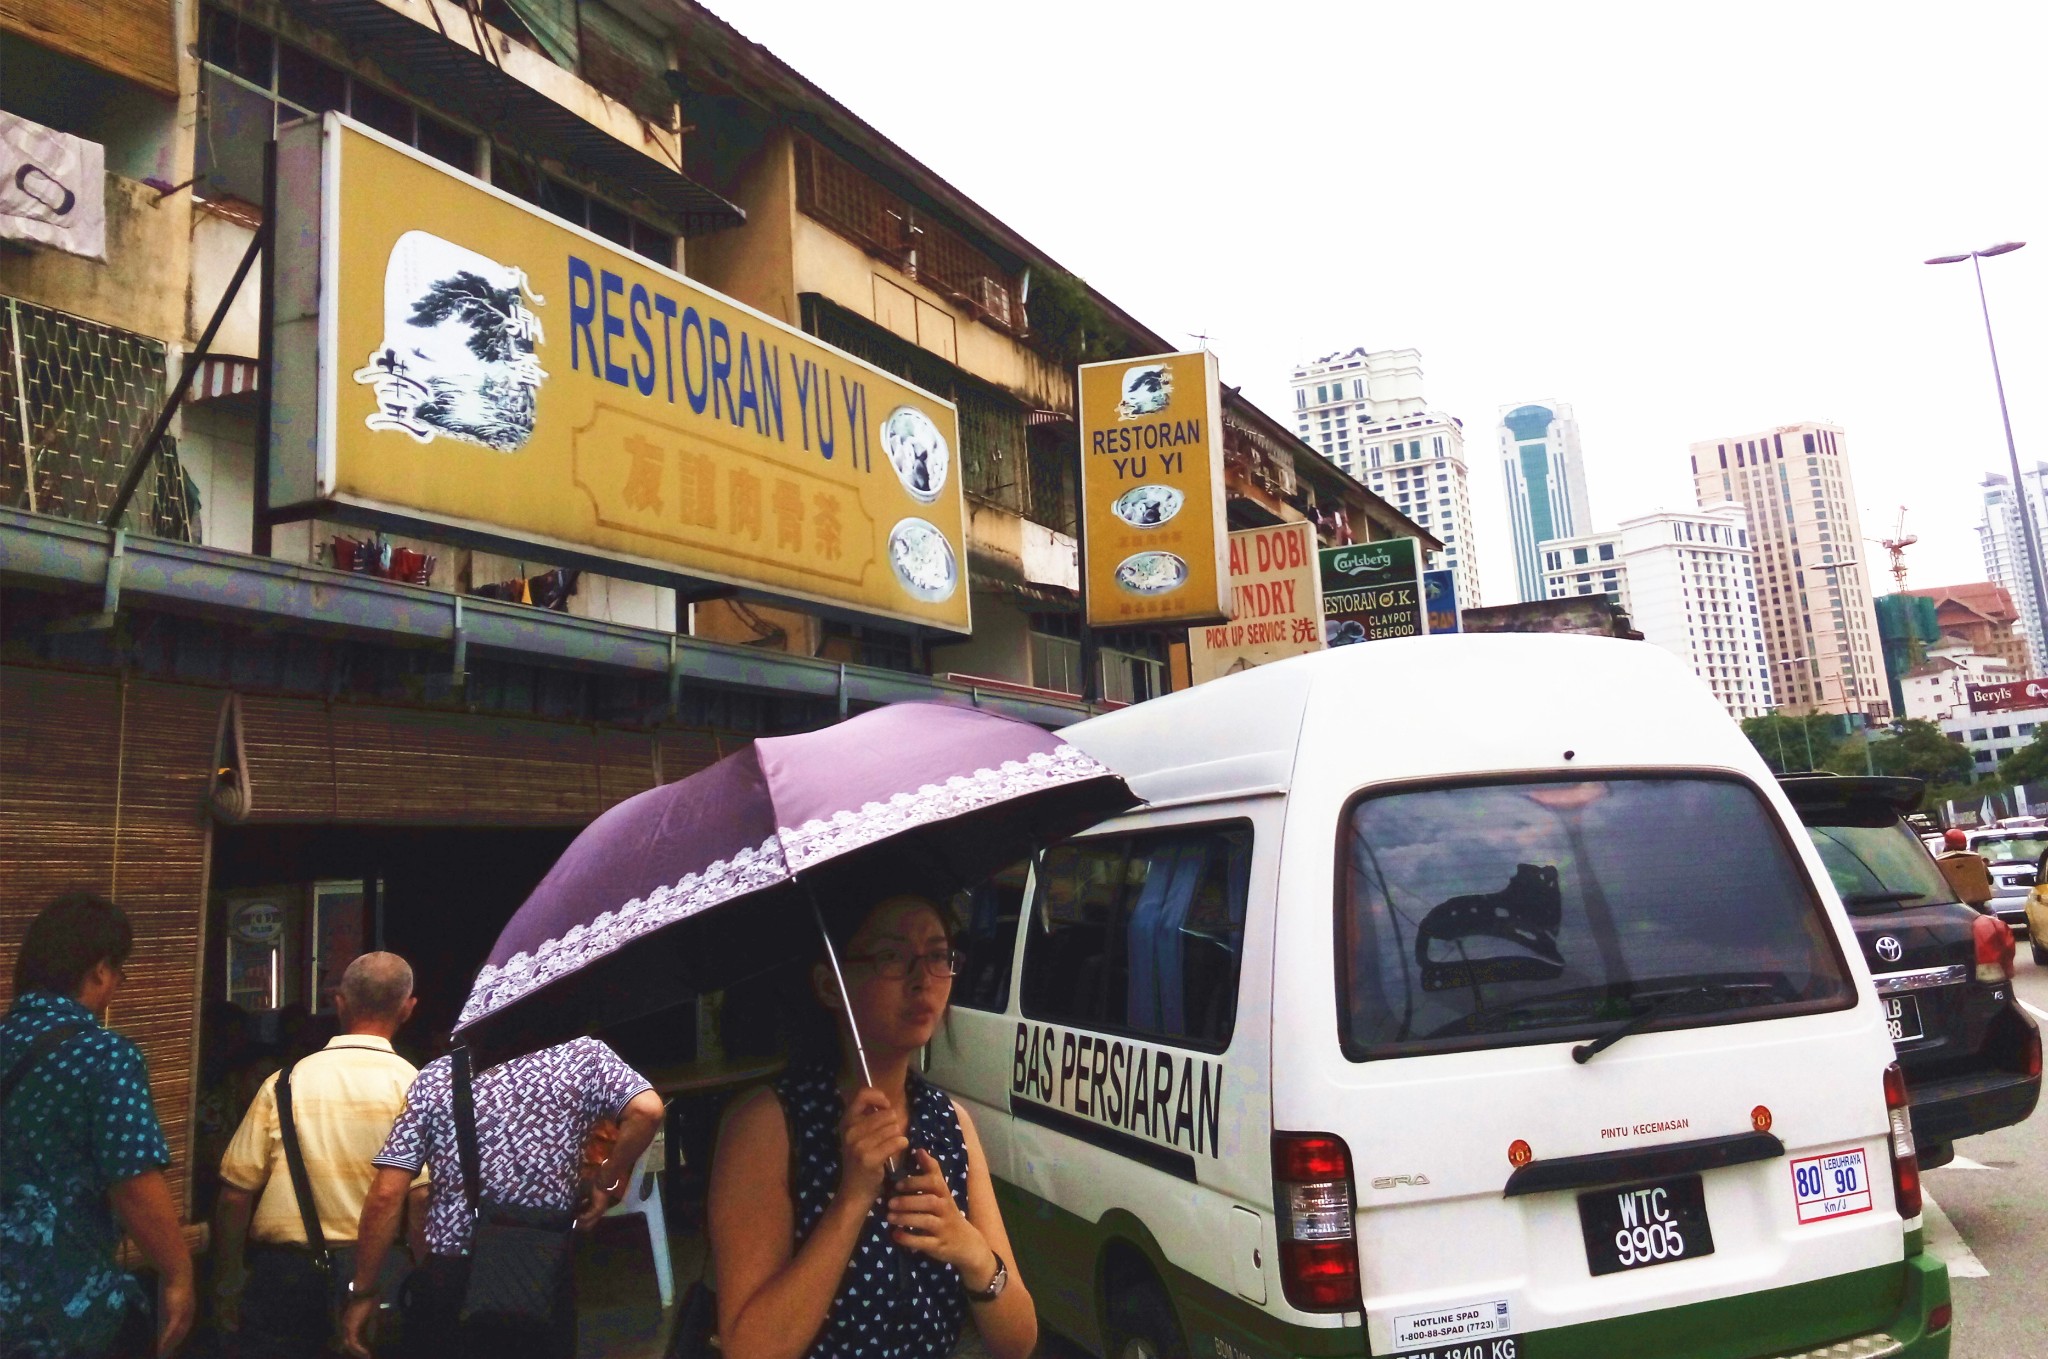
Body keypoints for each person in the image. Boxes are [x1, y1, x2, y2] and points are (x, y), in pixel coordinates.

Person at [708, 894, 1037, 1359]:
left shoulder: (951, 1125)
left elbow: (1019, 1341)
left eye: (939, 955)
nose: (923, 978)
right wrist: (852, 1198)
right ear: (828, 985)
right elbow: (751, 1349)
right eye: (892, 957)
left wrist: (973, 1252)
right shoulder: (768, 1124)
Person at [339, 1037, 664, 1359]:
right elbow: (647, 1110)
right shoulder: (585, 1058)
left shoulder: (436, 1078)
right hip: (541, 1266)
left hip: (453, 1270)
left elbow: (387, 1193)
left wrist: (363, 1291)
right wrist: (606, 1179)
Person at [0, 894, 194, 1359]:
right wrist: (178, 1274)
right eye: (119, 973)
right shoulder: (103, 1055)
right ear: (100, 970)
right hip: (63, 1309)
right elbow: (132, 1181)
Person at [213, 953, 427, 1358]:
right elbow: (421, 1199)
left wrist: (228, 1281)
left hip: (283, 1278)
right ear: (408, 1007)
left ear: (339, 1003)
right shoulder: (418, 1089)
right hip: (379, 1272)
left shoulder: (283, 1084)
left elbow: (234, 1195)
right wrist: (423, 1279)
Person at [1935, 828, 1994, 910]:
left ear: (1946, 844)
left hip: (1950, 907)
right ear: (1965, 844)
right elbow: (1990, 880)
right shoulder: (1975, 859)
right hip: (1977, 906)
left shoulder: (1938, 862)